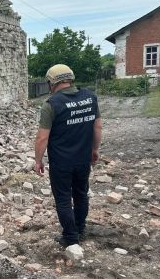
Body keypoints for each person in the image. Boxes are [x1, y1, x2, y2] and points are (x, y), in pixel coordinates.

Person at [34, 64, 102, 247]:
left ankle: (71, 237)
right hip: (83, 159)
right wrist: (95, 149)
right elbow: (97, 127)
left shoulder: (51, 104)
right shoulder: (90, 98)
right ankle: (80, 229)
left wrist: (38, 160)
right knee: (81, 194)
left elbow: (42, 138)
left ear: (52, 82)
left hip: (61, 163)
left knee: (63, 199)